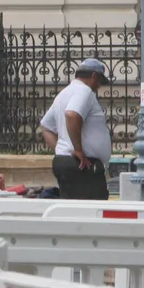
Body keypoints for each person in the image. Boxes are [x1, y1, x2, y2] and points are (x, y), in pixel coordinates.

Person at [38, 58, 113, 200]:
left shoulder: (64, 93)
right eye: (99, 82)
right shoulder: (84, 91)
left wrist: (62, 149)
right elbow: (72, 115)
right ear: (94, 76)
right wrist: (77, 150)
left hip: (65, 162)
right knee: (92, 213)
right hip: (83, 166)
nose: (98, 86)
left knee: (73, 212)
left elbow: (46, 126)